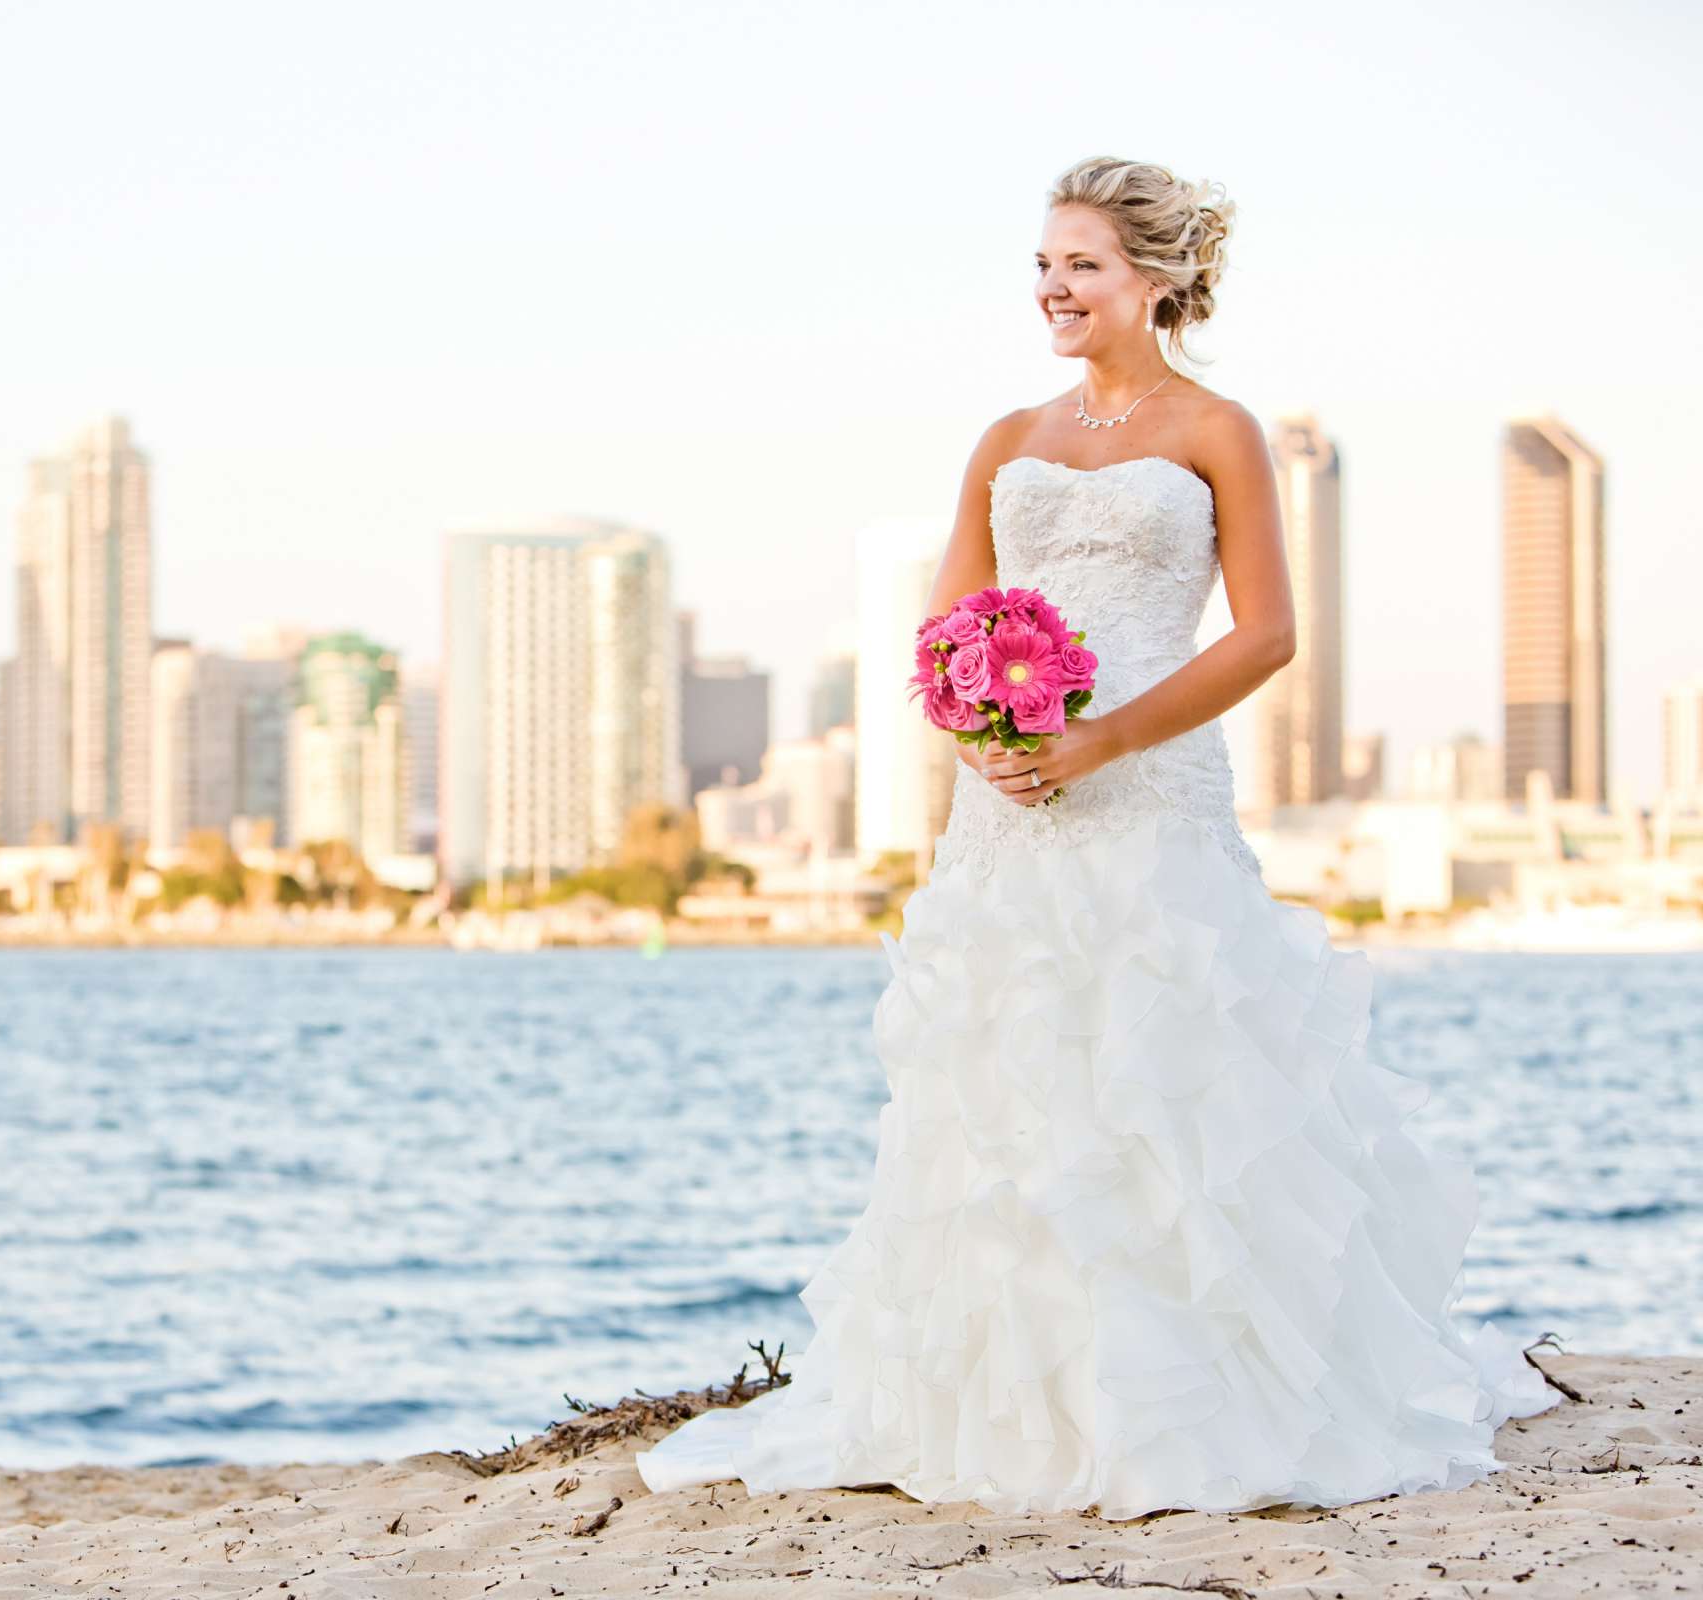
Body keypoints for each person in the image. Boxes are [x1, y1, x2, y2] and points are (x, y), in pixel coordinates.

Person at [632, 156, 1560, 1520]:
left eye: (1084, 266)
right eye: (1045, 267)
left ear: (1159, 281)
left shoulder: (1220, 430)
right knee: (1014, 1081)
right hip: (1010, 809)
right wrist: (980, 740)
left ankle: (1195, 1394)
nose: (1056, 290)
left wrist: (1104, 740)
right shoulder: (1006, 436)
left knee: (1165, 1070)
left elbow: (1268, 632)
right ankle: (1015, 1393)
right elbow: (947, 630)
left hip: (1147, 782)